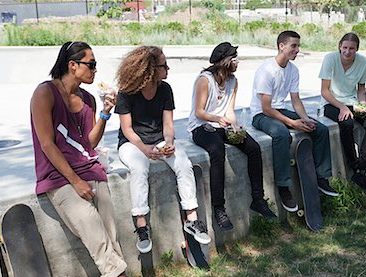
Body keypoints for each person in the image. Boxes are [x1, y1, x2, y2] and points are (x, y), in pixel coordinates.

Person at [30, 41, 141, 277]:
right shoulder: (44, 94)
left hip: (89, 169)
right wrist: (75, 181)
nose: (95, 70)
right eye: (91, 65)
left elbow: (88, 142)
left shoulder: (88, 98)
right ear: (72, 65)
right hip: (58, 177)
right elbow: (47, 143)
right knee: (93, 228)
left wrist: (105, 113)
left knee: (110, 234)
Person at [114, 46, 211, 254]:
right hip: (132, 144)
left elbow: (168, 125)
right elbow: (127, 129)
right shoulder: (126, 92)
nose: (168, 69)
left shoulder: (165, 89)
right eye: (163, 65)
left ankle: (192, 219)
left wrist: (169, 142)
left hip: (158, 140)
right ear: (149, 69)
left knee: (183, 163)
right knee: (139, 168)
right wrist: (144, 148)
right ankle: (141, 225)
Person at [187, 42, 278, 231]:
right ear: (225, 61)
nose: (238, 62)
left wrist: (235, 125)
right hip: (202, 126)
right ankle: (219, 208)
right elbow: (199, 112)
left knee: (253, 148)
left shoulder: (233, 81)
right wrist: (217, 119)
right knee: (217, 150)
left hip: (222, 124)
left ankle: (258, 199)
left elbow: (229, 110)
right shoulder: (205, 80)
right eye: (235, 58)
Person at [250, 31, 339, 213]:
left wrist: (305, 119)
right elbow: (266, 108)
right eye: (294, 46)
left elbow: (296, 100)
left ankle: (321, 177)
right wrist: (292, 123)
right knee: (282, 134)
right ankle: (283, 187)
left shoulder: (293, 70)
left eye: (298, 46)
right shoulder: (266, 71)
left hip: (280, 110)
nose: (297, 50)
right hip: (261, 114)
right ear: (281, 46)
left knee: (320, 129)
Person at [319, 32, 366, 196]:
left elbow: (361, 89)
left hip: (352, 101)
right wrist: (342, 107)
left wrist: (363, 103)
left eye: (351, 48)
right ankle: (354, 165)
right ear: (340, 46)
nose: (347, 51)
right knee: (347, 123)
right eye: (344, 47)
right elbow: (324, 91)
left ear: (357, 49)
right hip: (331, 102)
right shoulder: (330, 59)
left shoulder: (363, 62)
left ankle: (362, 168)